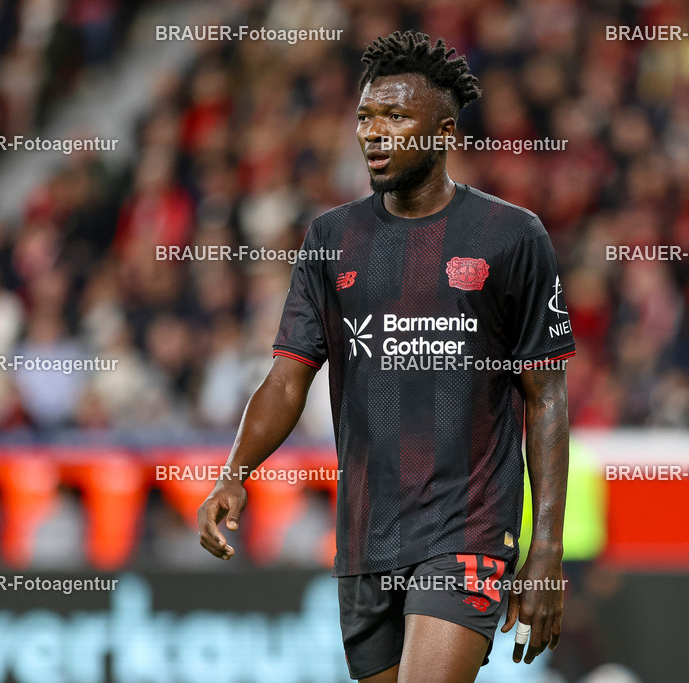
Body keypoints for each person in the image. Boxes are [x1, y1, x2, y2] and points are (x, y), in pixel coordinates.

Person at [198, 30, 575, 682]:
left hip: (468, 528)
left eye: (397, 117)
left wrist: (546, 548)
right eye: (366, 118)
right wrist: (236, 469)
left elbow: (547, 395)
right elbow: (288, 378)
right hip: (366, 536)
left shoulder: (512, 237)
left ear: (444, 132)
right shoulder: (330, 238)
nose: (375, 133)